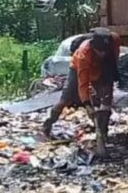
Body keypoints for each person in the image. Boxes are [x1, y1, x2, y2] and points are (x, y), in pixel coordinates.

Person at [43, 29, 121, 157]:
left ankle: (102, 134)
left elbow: (114, 60)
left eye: (104, 50)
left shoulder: (114, 41)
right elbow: (83, 84)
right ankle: (49, 123)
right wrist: (87, 104)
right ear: (93, 46)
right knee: (66, 100)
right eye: (99, 51)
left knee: (106, 100)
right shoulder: (83, 55)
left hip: (104, 66)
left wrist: (105, 83)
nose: (102, 53)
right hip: (78, 69)